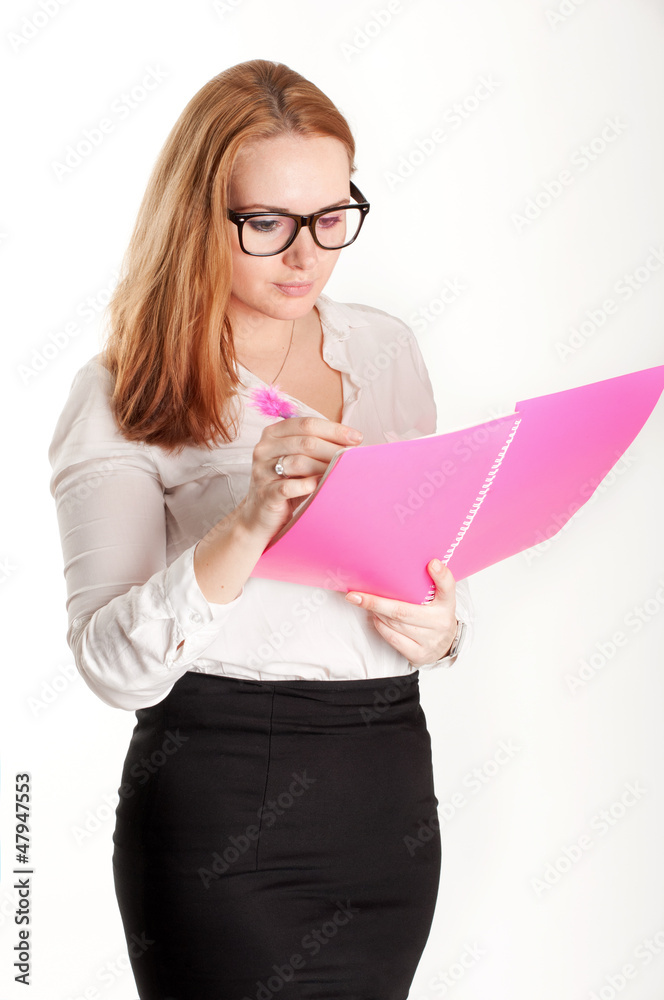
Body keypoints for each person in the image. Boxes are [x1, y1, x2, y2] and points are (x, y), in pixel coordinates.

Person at [48, 59, 474, 1000]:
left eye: (332, 217)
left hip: (388, 787)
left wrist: (442, 629)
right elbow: (112, 666)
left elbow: (423, 566)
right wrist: (249, 520)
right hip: (224, 792)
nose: (306, 256)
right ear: (199, 216)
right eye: (268, 223)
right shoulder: (126, 389)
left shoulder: (386, 348)